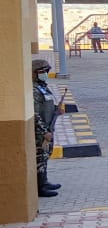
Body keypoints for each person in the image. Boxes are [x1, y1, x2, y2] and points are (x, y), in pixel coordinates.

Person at [32, 59, 62, 197]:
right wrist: (44, 132)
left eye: (46, 71)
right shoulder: (34, 90)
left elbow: (46, 105)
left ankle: (44, 181)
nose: (44, 74)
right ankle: (40, 187)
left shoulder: (42, 87)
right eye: (41, 71)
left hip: (49, 127)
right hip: (41, 132)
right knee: (40, 158)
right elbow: (35, 113)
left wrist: (56, 109)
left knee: (45, 156)